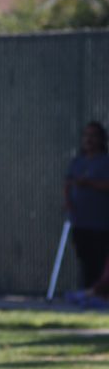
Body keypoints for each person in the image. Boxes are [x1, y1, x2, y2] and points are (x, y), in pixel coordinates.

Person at [65, 121, 109, 305]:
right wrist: (68, 203)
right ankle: (88, 295)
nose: (89, 140)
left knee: (101, 261)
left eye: (93, 135)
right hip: (80, 221)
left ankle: (99, 296)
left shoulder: (105, 161)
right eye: (86, 135)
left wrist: (89, 184)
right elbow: (68, 183)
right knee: (85, 260)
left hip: (101, 223)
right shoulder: (77, 162)